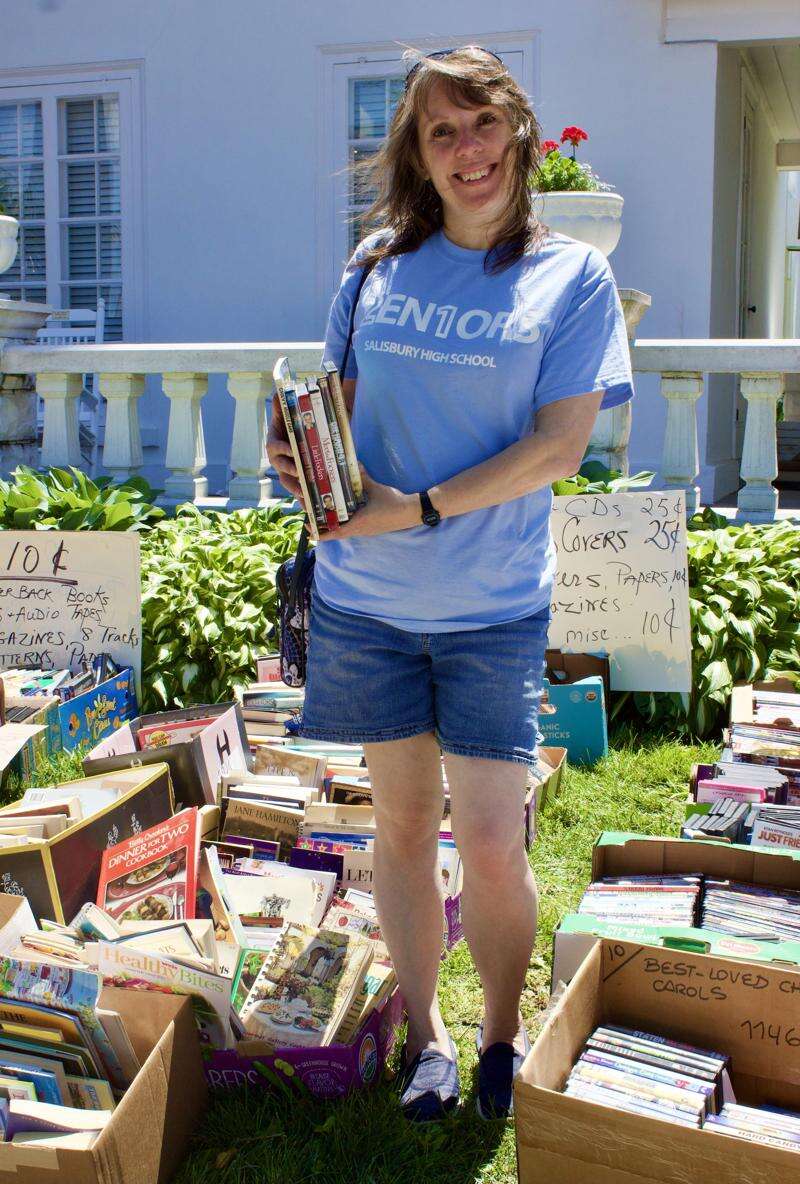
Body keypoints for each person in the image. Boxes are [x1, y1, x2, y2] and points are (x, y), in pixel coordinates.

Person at [267, 45, 633, 1121]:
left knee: (487, 835)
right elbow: (332, 405)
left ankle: (502, 1035)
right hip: (364, 601)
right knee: (397, 825)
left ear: (517, 133)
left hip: (487, 605)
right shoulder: (375, 265)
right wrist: (297, 455)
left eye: (480, 125)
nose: (465, 150)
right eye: (440, 132)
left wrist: (414, 507)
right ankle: (426, 1035)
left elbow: (557, 448)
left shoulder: (570, 277)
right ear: (418, 158)